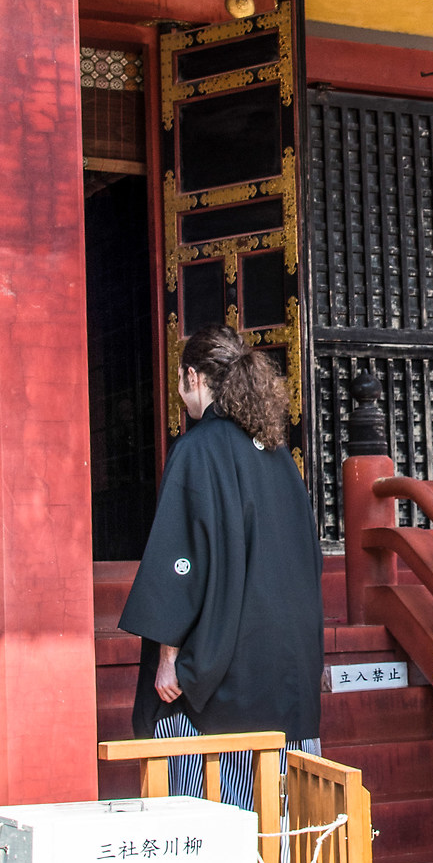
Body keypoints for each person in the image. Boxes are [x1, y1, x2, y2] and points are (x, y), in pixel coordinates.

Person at [118, 325, 323, 815]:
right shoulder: (279, 458)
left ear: (193, 376)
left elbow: (183, 557)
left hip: (223, 673)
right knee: (280, 826)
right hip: (285, 671)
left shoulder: (198, 448)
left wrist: (170, 657)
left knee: (208, 821)